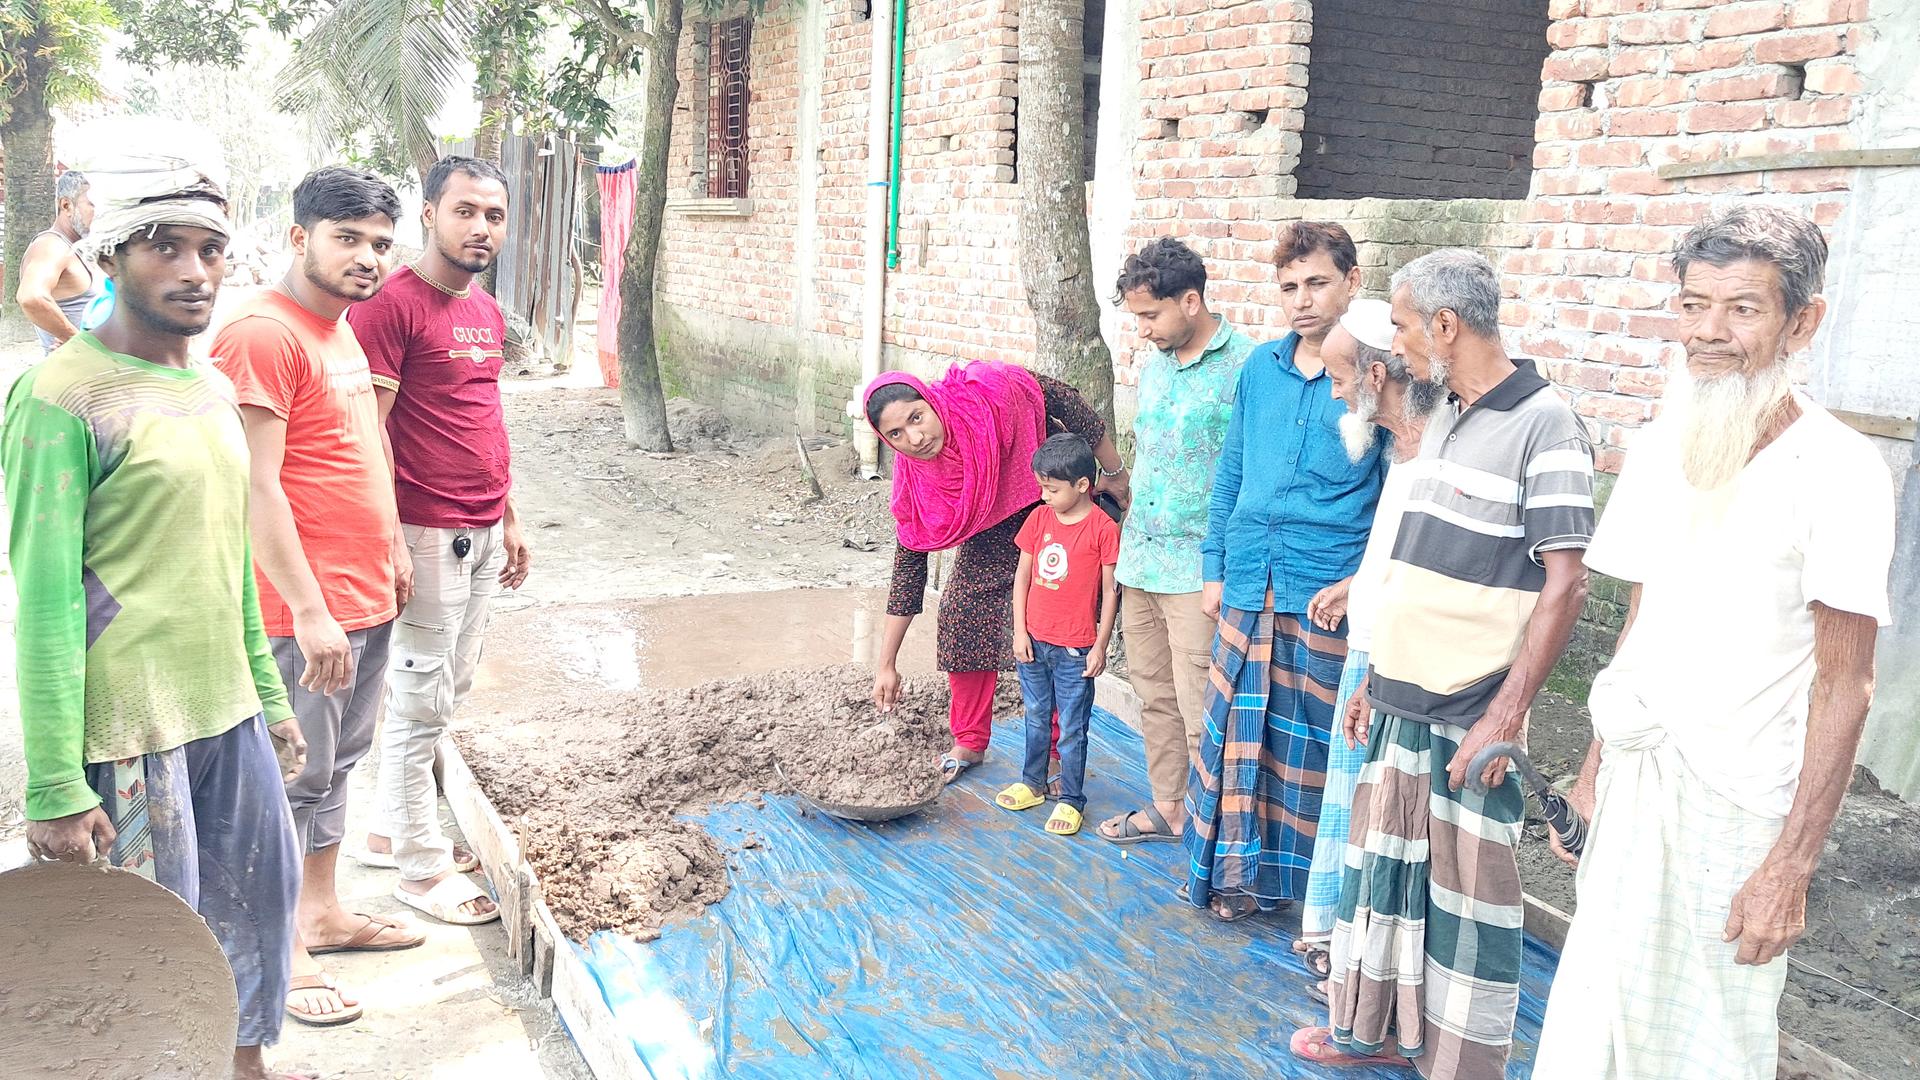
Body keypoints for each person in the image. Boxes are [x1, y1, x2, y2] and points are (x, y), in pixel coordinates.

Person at [1533, 208, 1892, 1079]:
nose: (1710, 333)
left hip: (1739, 807)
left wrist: (1791, 867)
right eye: (1695, 306)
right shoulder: (1663, 447)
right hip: (1634, 777)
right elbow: (1642, 629)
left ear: (1801, 322)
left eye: (1742, 309)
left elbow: (1846, 687)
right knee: (1597, 1011)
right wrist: (1589, 777)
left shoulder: (1840, 471)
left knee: (1707, 1044)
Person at [4, 170, 313, 1080]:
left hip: (227, 712)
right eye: (165, 247)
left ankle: (243, 1066)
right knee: (150, 943)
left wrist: (268, 694)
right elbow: (46, 605)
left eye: (211, 251)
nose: (195, 271)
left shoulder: (212, 389)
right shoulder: (63, 398)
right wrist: (57, 782)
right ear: (111, 255)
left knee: (260, 904)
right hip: (129, 730)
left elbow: (227, 567)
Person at [1299, 249, 1595, 1076]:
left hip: (1471, 711)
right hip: (1400, 695)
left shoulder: (1547, 423)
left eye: (1397, 323)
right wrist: (1375, 679)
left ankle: (1458, 1065)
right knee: (1382, 883)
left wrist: (1504, 716)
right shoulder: (1450, 416)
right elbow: (1413, 556)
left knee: (1467, 908)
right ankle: (1376, 1033)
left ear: (1444, 326)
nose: (1390, 345)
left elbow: (1566, 587)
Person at [214, 166, 424, 1030]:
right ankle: (285, 954)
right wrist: (306, 609)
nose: (368, 258)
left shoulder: (339, 335)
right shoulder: (263, 333)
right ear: (299, 238)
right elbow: (254, 488)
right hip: (305, 611)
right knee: (288, 779)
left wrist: (394, 550)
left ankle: (325, 913)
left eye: (380, 243)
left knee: (337, 767)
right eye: (349, 238)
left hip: (363, 595)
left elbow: (360, 452)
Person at [1183, 221, 1385, 923]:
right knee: (1241, 740)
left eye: (1318, 283)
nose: (1302, 300)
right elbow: (1231, 470)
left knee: (1312, 747)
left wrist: (1366, 578)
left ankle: (1308, 899)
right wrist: (1215, 567)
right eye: (1290, 287)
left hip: (1326, 587)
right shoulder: (1260, 370)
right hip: (1248, 580)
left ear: (1352, 283)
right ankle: (1237, 881)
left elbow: (1396, 495)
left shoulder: (1375, 376)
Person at [349, 155, 530, 926]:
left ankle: (394, 828)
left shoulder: (483, 311)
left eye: (493, 214)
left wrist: (510, 516)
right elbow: (368, 433)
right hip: (424, 531)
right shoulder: (392, 307)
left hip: (482, 528)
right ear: (430, 213)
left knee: (444, 689)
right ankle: (420, 871)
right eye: (465, 211)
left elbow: (480, 417)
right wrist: (388, 537)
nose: (480, 227)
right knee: (422, 698)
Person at [865, 363, 1130, 781]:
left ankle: (1059, 750)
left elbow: (1062, 398)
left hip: (1052, 509)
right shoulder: (917, 482)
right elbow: (908, 567)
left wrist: (1114, 473)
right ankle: (969, 740)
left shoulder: (990, 399)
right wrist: (886, 664)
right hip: (990, 530)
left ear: (932, 403)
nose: (914, 439)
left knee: (1061, 623)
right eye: (895, 434)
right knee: (961, 613)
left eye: (917, 418)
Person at [1097, 237, 1253, 846]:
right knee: (1154, 696)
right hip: (1142, 560)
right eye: (1137, 317)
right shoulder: (1157, 365)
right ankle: (1169, 806)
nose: (1143, 330)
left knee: (1201, 708)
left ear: (1191, 301)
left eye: (1151, 316)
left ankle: (1213, 829)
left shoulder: (1249, 367)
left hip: (1199, 570)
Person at [1294, 298, 1426, 998]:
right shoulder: (1402, 447)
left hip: (1393, 661)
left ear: (1376, 372)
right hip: (1369, 643)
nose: (1336, 389)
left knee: (1376, 814)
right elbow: (1397, 549)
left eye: (1343, 377)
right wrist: (1357, 583)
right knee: (1348, 800)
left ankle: (1358, 961)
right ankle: (1333, 938)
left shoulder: (1435, 447)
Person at [994, 434, 1122, 837]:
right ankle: (1033, 782)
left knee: (1071, 726)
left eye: (1051, 489)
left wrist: (1099, 645)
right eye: (1041, 488)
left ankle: (1070, 799)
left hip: (1075, 648)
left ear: (1082, 485)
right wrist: (1019, 631)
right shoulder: (1038, 520)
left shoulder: (1103, 528)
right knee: (1034, 715)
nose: (1044, 496)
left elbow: (1110, 591)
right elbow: (1022, 579)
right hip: (1033, 642)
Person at [15, 169, 100, 353]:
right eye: (94, 204)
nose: (101, 213)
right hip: (72, 372)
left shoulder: (82, 247)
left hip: (96, 368)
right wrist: (75, 339)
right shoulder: (51, 246)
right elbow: (31, 297)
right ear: (66, 205)